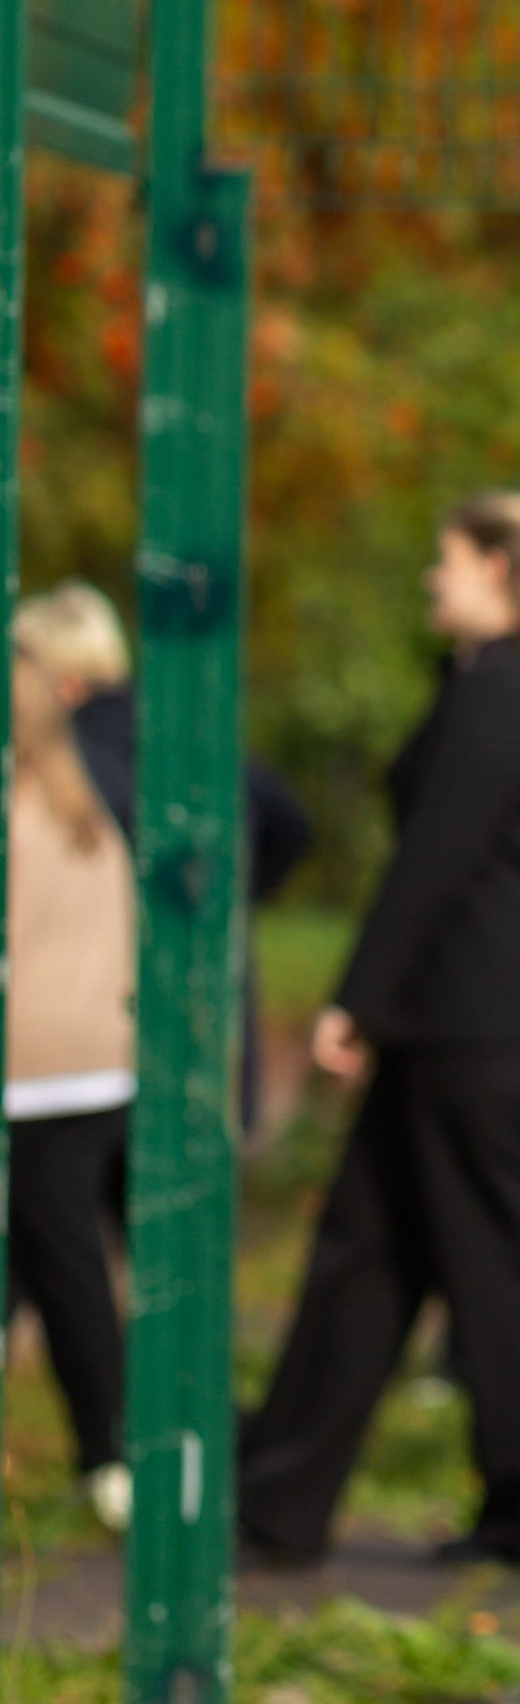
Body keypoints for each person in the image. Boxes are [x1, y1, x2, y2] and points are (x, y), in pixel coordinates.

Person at [238, 488, 520, 1570]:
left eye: (442, 559)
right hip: (466, 1021)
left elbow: (431, 861)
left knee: (494, 1264)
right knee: (369, 1250)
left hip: (479, 1026)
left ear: (496, 567)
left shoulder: (501, 694)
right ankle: (280, 1499)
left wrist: (354, 999)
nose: (427, 579)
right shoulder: (496, 685)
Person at [18, 579, 314, 1133]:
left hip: (99, 1015)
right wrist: (235, 894)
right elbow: (291, 823)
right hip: (209, 995)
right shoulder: (190, 734)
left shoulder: (67, 763)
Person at [7, 640, 138, 1529]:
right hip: (97, 1059)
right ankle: (110, 1448)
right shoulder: (80, 803)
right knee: (65, 1261)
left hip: (33, 1067)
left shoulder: (15, 812)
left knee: (64, 1273)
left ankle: (109, 1452)